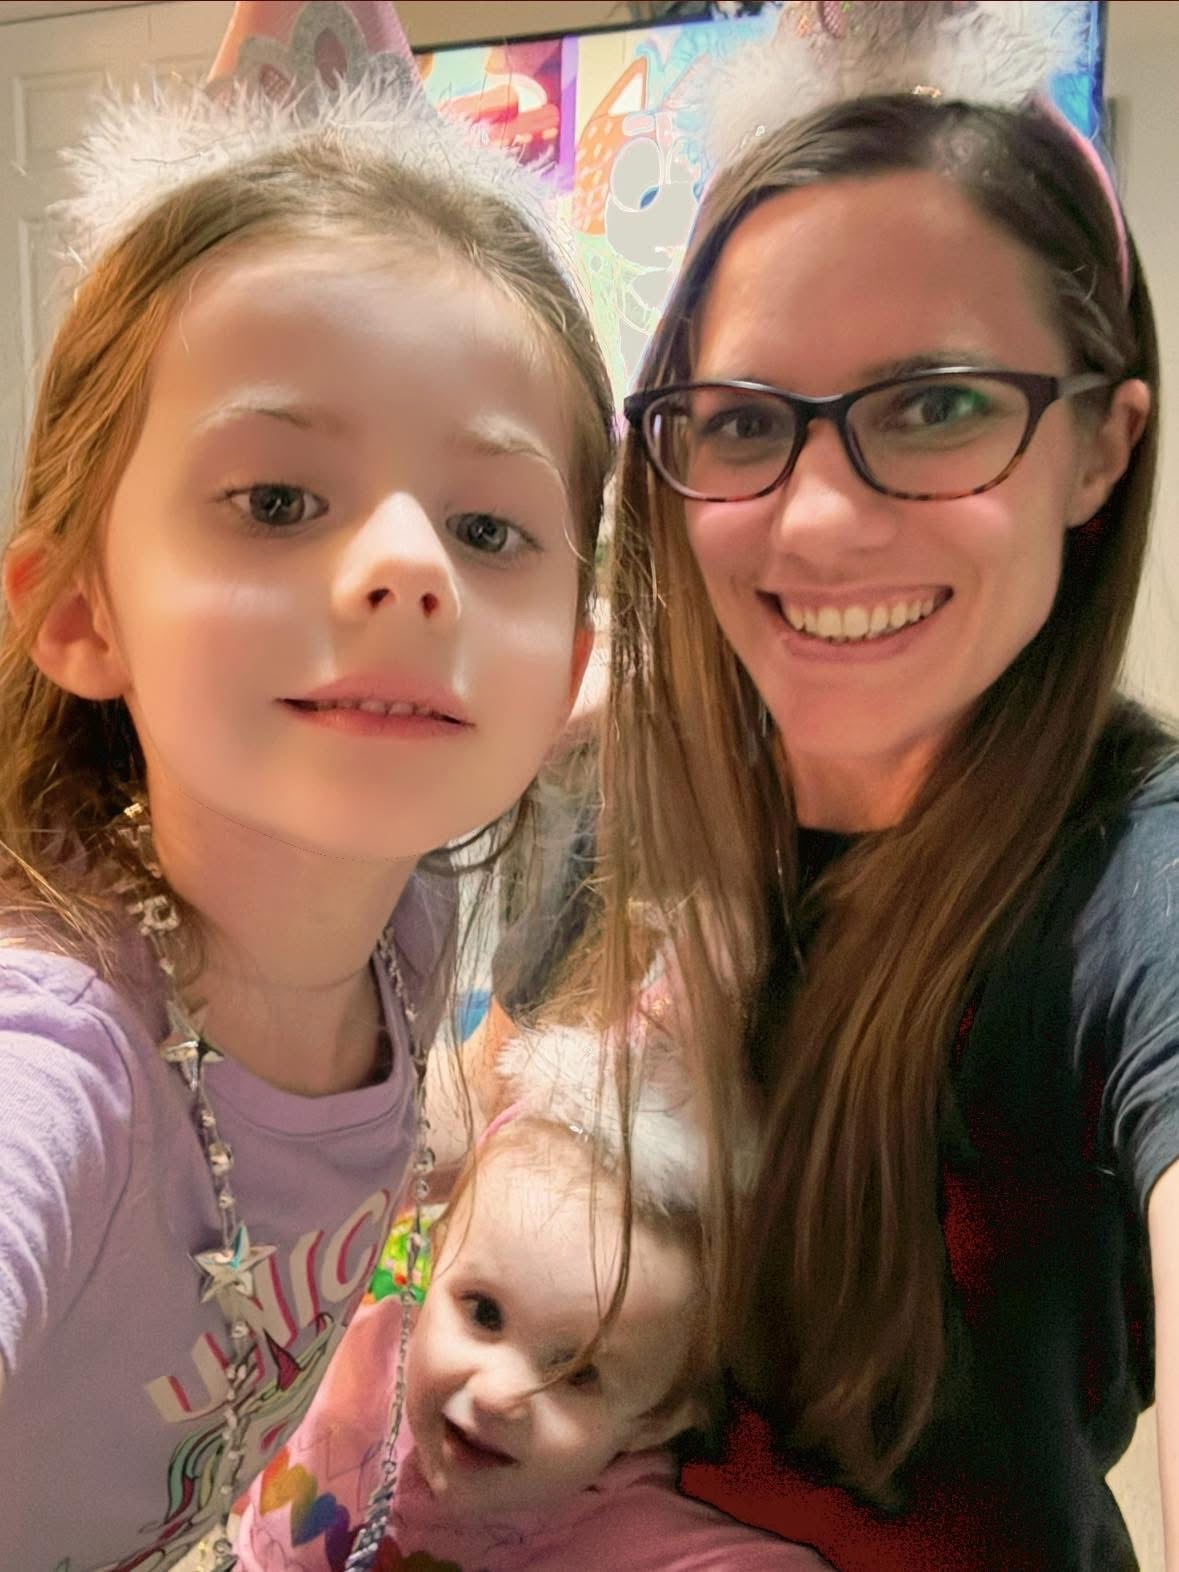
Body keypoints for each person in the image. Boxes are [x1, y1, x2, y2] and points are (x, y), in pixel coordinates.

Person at [548, 3, 1179, 1568]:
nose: (816, 523)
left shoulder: (1130, 886)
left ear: (1098, 449)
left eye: (936, 404)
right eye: (746, 423)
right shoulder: (587, 820)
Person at [0, 1, 614, 1565]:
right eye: (277, 498)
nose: (408, 566)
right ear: (78, 608)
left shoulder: (406, 938)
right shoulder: (56, 1059)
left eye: (486, 529)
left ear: (555, 674)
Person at [235, 1022, 828, 1570]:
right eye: (484, 1313)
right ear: (432, 1262)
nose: (499, 1395)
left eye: (580, 1374)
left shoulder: (625, 1544)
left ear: (658, 1419)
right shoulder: (361, 1321)